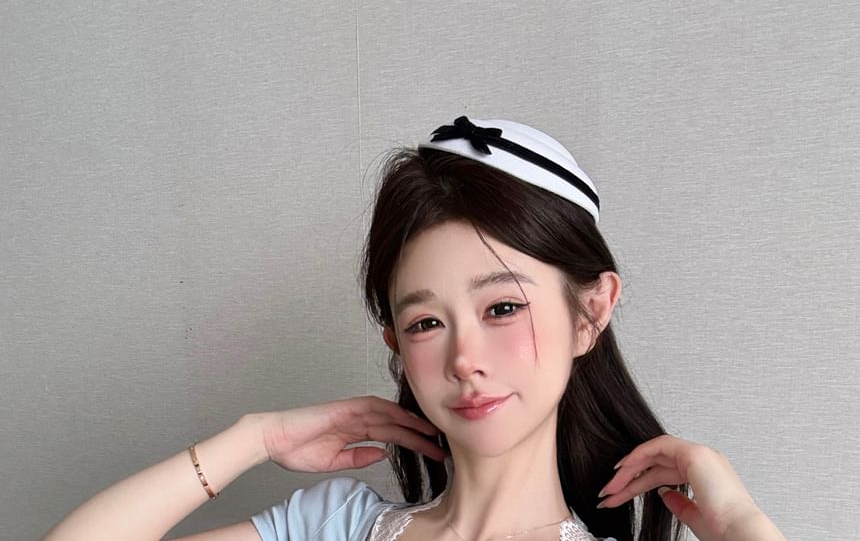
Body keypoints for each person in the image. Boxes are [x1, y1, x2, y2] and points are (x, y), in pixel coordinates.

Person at [43, 116, 787, 541]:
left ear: (590, 312)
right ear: (396, 347)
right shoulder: (334, 526)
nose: (465, 359)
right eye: (427, 322)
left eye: (502, 308)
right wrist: (255, 439)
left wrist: (741, 524)